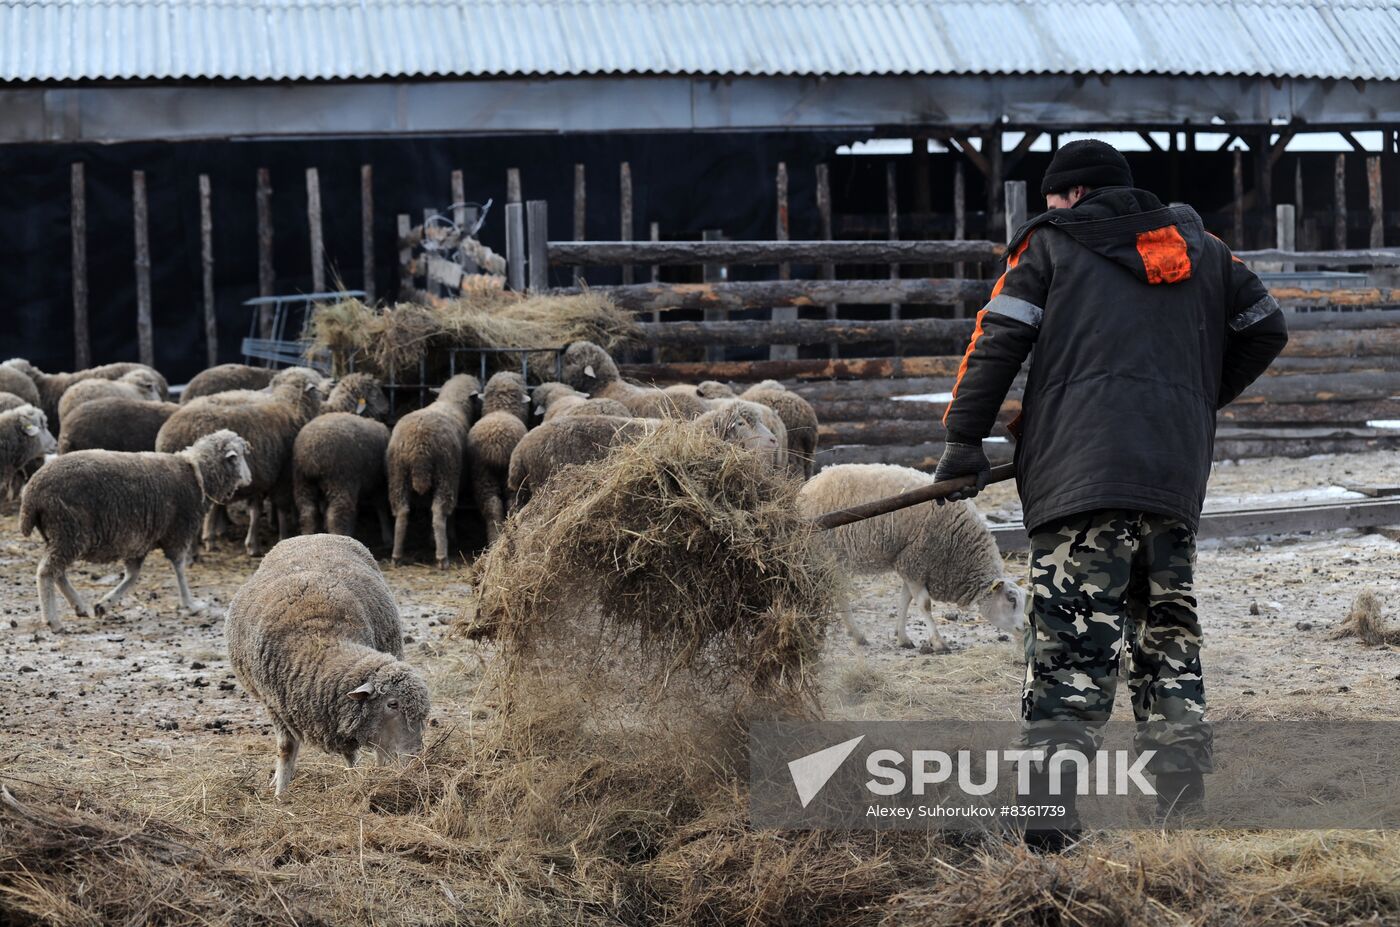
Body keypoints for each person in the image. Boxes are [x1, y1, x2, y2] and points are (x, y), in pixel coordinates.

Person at [933, 139, 1288, 848]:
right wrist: (1191, 401)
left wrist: (963, 441)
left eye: (1054, 197)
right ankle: (1177, 812)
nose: (1050, 208)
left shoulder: (1053, 245)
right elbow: (1266, 327)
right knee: (1167, 642)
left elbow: (997, 338)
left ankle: (1046, 825)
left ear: (1075, 194)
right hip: (1169, 480)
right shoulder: (1204, 248)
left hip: (1082, 482)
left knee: (1071, 651)